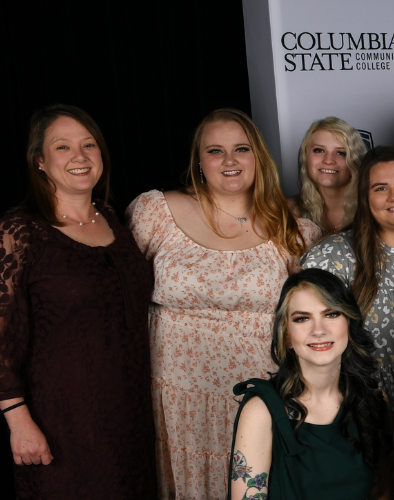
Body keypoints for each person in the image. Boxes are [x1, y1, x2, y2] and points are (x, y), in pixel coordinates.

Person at [127, 108, 321, 498]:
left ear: (258, 158)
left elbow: (312, 318)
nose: (229, 160)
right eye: (215, 151)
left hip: (261, 396)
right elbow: (118, 297)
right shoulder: (155, 214)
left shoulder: (294, 230)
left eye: (241, 149)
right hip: (176, 399)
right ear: (199, 161)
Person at [0, 104, 156, 498]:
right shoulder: (16, 234)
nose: (80, 156)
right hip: (60, 421)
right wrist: (18, 422)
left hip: (132, 415)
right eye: (63, 147)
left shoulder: (114, 221)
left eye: (89, 144)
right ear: (39, 161)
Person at [301, 146, 394, 399]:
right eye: (380, 188)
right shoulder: (333, 258)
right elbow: (309, 343)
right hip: (366, 413)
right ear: (364, 198)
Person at [228, 269, 388, 500]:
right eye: (302, 319)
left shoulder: (374, 400)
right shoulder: (261, 411)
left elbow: (382, 493)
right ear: (287, 336)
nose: (319, 330)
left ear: (350, 325)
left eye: (331, 314)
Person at [285, 116, 366, 235]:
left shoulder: (372, 208)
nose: (328, 160)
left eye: (340, 153)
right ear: (305, 157)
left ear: (355, 161)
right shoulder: (288, 210)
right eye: (319, 150)